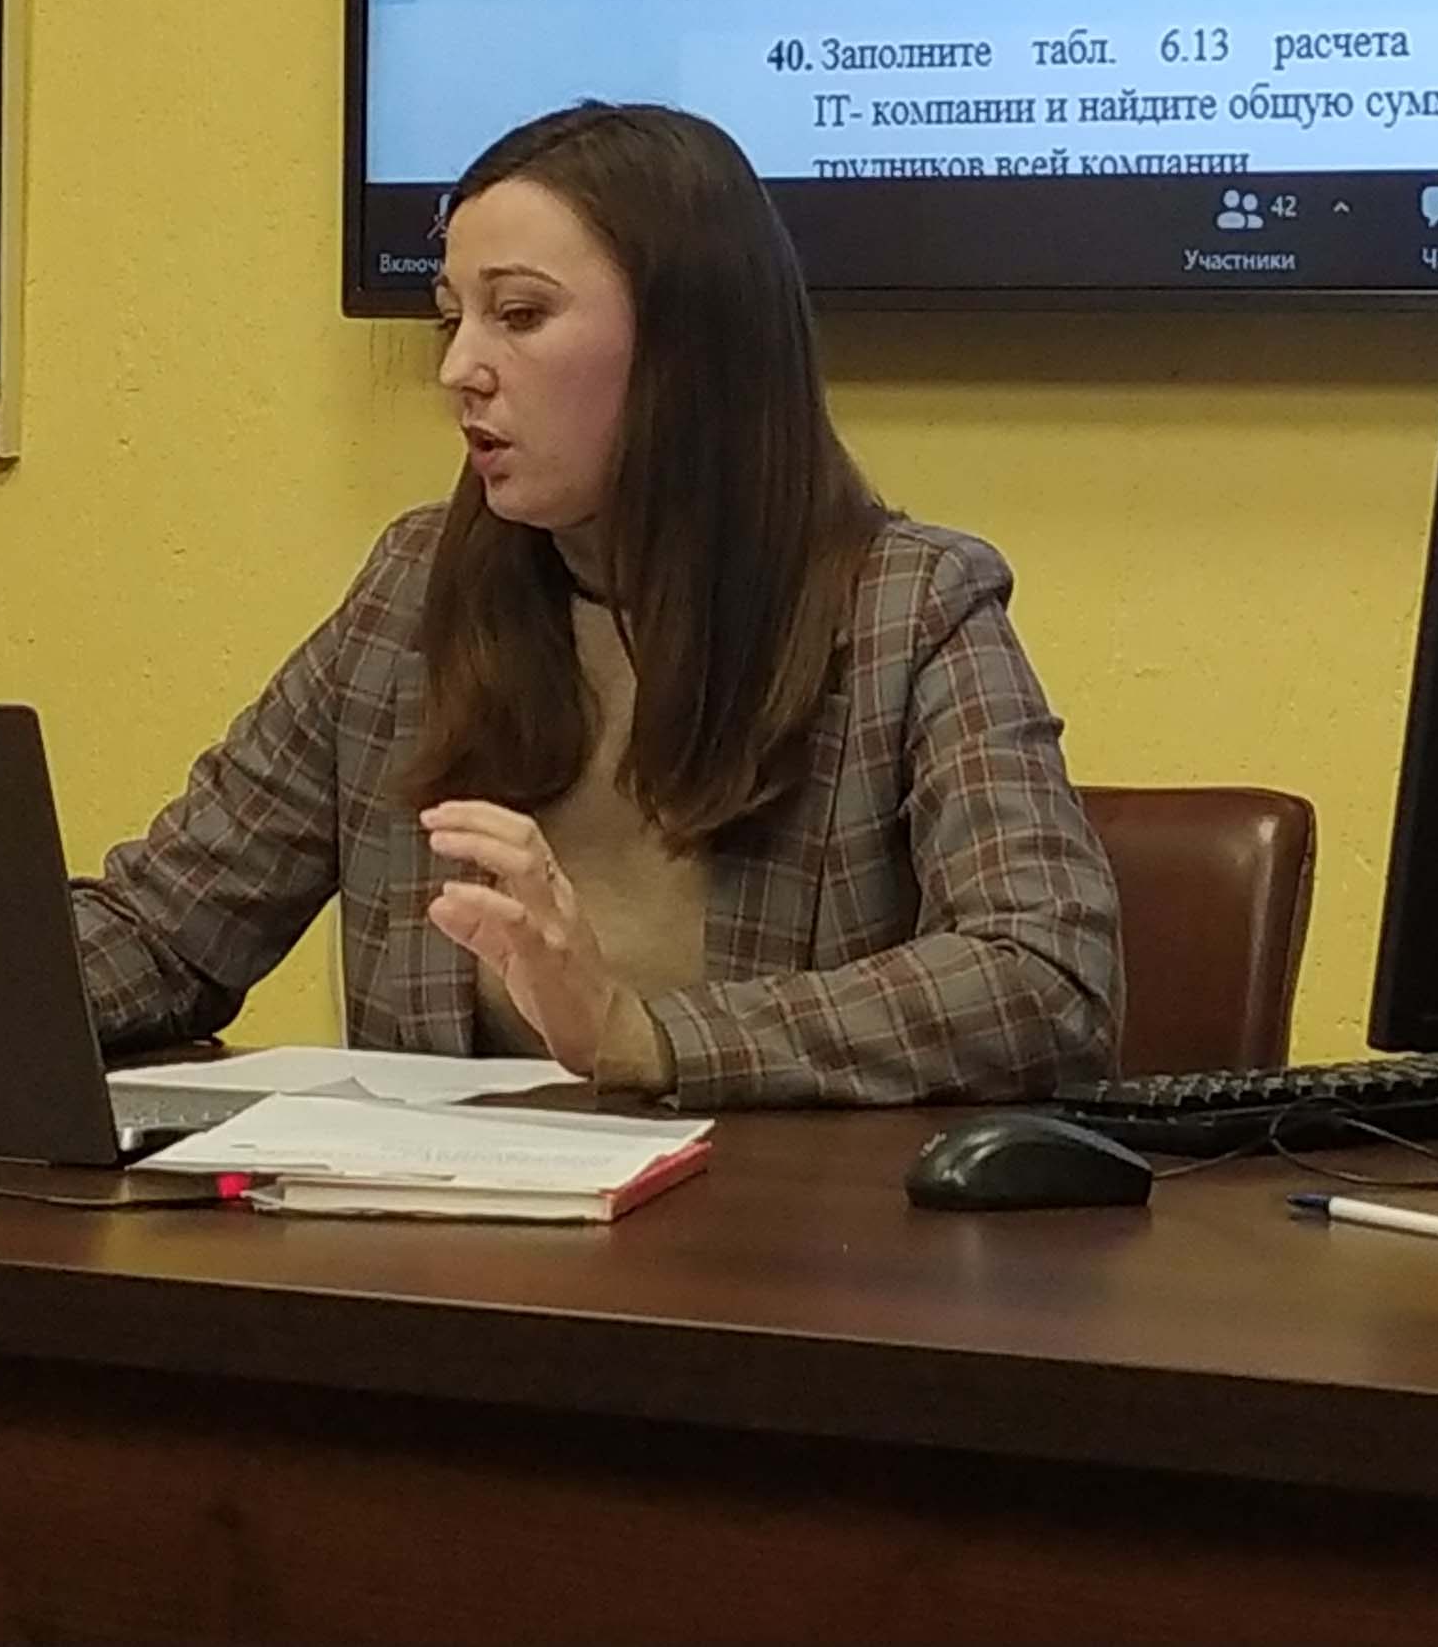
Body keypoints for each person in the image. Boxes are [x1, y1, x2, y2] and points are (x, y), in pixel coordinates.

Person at [71, 103, 1121, 1104]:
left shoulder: (910, 611)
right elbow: (167, 931)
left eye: (520, 316)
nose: (459, 370)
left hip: (764, 1222)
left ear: (686, 346)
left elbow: (1044, 976)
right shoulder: (413, 592)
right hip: (442, 1223)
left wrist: (638, 1035)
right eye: (452, 319)